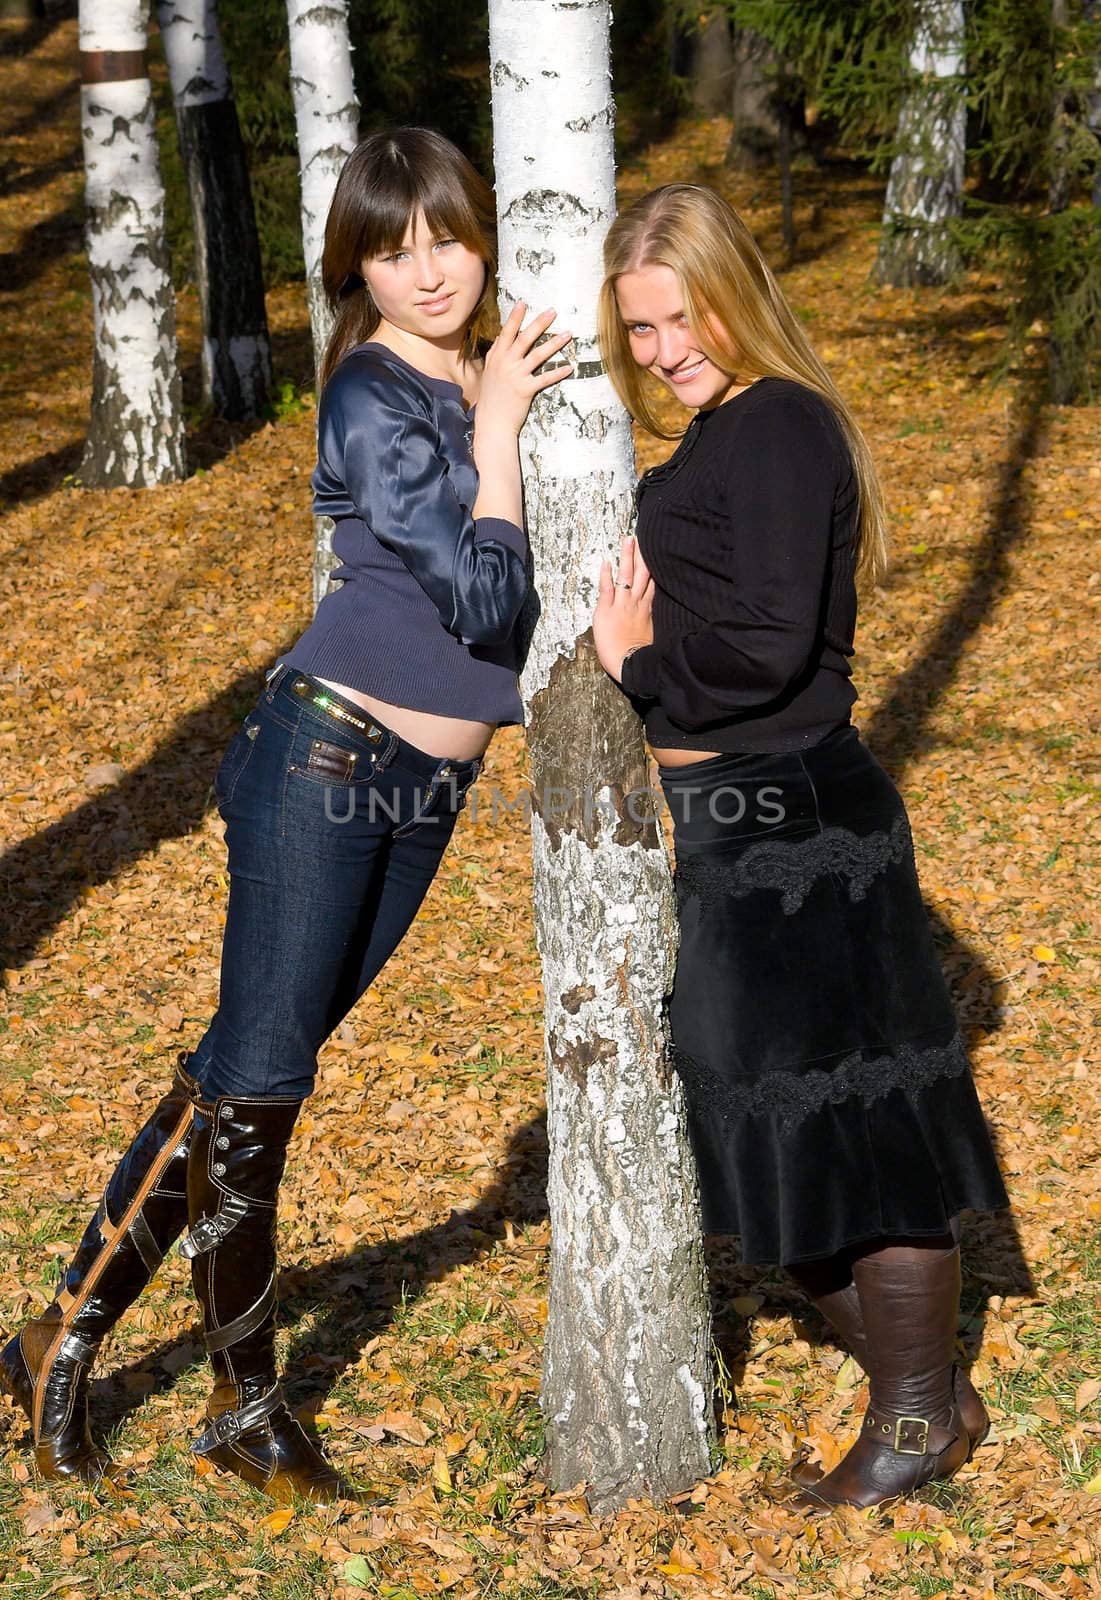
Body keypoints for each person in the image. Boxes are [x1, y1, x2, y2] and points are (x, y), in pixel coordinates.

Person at [1, 127, 572, 1503]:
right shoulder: (380, 395)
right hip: (323, 758)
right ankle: (243, 1407)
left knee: (231, 1079)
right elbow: (487, 604)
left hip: (425, 785)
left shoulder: (488, 370)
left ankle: (48, 1341)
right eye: (393, 249)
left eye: (447, 238)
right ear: (354, 270)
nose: (428, 270)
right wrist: (496, 431)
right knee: (260, 1090)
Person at [591, 184, 1008, 1510]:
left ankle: (910, 1418)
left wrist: (639, 664)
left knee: (849, 1121)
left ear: (734, 291)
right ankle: (929, 1390)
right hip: (745, 818)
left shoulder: (773, 425)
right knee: (758, 1102)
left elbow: (770, 650)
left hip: (794, 817)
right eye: (638, 332)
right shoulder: (735, 431)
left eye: (676, 317)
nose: (661, 351)